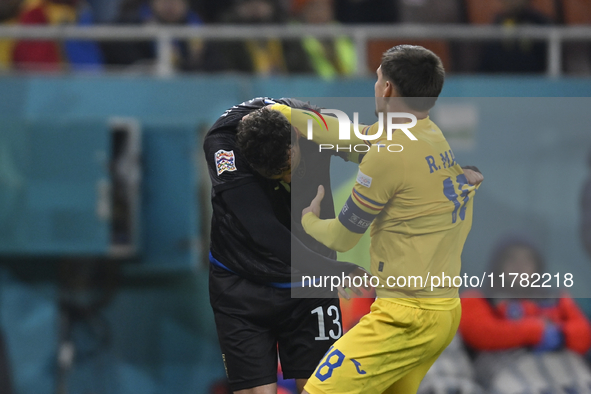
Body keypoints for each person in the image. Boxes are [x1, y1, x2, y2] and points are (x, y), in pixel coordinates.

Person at [269, 44, 482, 394]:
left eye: (378, 77)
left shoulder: (386, 154)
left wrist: (308, 219)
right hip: (442, 311)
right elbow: (348, 135)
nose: (375, 84)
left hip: (403, 315)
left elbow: (341, 238)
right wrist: (278, 111)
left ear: (387, 89)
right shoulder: (428, 134)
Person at [203, 97, 367, 394]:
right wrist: (333, 270)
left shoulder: (316, 124)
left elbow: (379, 153)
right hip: (242, 286)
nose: (290, 179)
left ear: (298, 137)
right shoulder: (223, 145)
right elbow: (264, 231)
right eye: (278, 176)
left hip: (309, 286)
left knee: (322, 390)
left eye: (291, 167)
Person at [460, 235, 591, 355]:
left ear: (537, 266)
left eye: (528, 260)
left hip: (566, 372)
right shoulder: (477, 299)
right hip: (506, 374)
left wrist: (561, 335)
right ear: (498, 265)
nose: (520, 266)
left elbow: (584, 335)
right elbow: (483, 334)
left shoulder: (557, 299)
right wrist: (537, 331)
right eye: (512, 259)